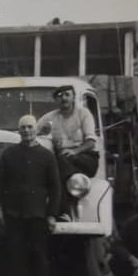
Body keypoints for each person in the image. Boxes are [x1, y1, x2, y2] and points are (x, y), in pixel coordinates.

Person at [0, 115, 61, 276]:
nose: (26, 131)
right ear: (18, 130)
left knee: (40, 256)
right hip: (13, 214)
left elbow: (55, 188)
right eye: (22, 127)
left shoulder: (47, 156)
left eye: (30, 127)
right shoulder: (9, 154)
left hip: (38, 214)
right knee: (16, 257)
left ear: (36, 129)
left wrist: (52, 215)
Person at [36, 84, 99, 219]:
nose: (64, 98)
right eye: (60, 96)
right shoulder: (49, 117)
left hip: (85, 158)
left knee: (57, 167)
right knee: (54, 166)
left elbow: (91, 142)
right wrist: (41, 132)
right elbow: (32, 133)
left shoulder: (83, 114)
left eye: (67, 95)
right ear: (56, 100)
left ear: (73, 97)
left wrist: (75, 151)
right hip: (62, 160)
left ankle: (62, 211)